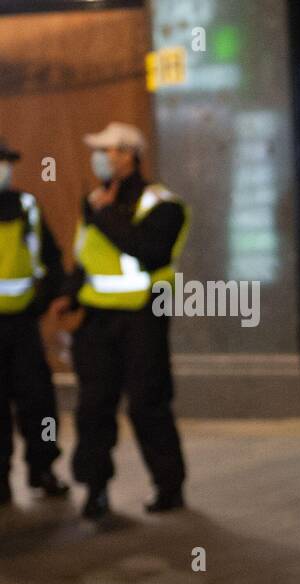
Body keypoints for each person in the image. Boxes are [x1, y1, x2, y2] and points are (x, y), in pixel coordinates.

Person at [48, 122, 189, 519]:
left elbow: (149, 251)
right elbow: (88, 257)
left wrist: (107, 214)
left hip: (143, 318)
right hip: (96, 322)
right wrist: (69, 293)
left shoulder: (163, 204)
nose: (101, 158)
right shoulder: (92, 202)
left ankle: (169, 486)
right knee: (93, 406)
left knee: (148, 403)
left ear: (130, 154)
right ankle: (94, 488)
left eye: (109, 150)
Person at [0, 136, 68, 504]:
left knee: (38, 402)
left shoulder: (27, 207)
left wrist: (40, 302)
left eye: (6, 162)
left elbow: (51, 261)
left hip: (23, 327)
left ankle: (43, 468)